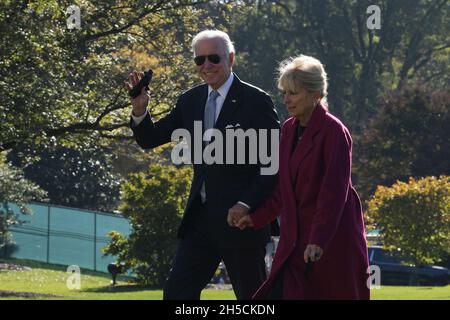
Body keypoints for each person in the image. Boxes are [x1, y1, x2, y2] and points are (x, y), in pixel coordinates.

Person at [125, 30, 280, 300]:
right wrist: (140, 109)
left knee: (254, 300)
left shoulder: (257, 102)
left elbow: (273, 166)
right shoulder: (190, 100)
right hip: (200, 222)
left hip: (241, 222)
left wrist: (246, 204)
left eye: (213, 58)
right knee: (176, 294)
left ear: (230, 58)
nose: (206, 66)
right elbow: (150, 138)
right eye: (199, 60)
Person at [228, 55, 370, 299]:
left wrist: (319, 240)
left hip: (329, 245)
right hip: (294, 246)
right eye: (284, 92)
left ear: (316, 94)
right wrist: (256, 218)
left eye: (293, 93)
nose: (286, 100)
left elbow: (333, 193)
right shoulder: (289, 129)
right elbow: (284, 190)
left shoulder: (334, 132)